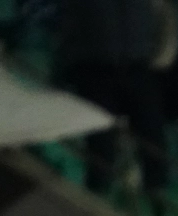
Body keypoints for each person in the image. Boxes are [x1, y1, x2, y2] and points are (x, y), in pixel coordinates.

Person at [56, 0, 168, 192]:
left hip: (135, 66)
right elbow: (68, 24)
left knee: (152, 139)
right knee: (102, 146)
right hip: (97, 70)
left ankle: (156, 195)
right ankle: (99, 195)